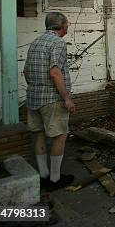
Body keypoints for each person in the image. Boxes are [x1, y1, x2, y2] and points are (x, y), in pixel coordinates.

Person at [24, 12, 76, 189]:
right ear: (62, 26)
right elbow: (55, 72)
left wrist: (36, 87)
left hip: (32, 98)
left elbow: (26, 72)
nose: (68, 26)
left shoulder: (36, 42)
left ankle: (43, 175)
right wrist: (66, 98)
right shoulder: (58, 43)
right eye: (67, 24)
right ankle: (54, 179)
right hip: (52, 99)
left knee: (38, 134)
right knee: (60, 136)